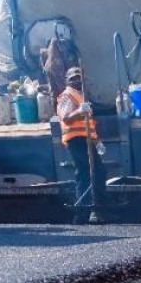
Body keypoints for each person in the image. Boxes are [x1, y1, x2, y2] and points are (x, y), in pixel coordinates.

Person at [57, 66, 102, 223]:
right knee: (84, 173)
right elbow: (66, 118)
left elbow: (88, 124)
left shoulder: (81, 96)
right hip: (76, 140)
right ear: (67, 80)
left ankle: (99, 209)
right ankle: (82, 214)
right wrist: (79, 111)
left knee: (98, 172)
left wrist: (98, 141)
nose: (77, 80)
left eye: (79, 77)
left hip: (86, 140)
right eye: (73, 78)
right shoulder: (67, 96)